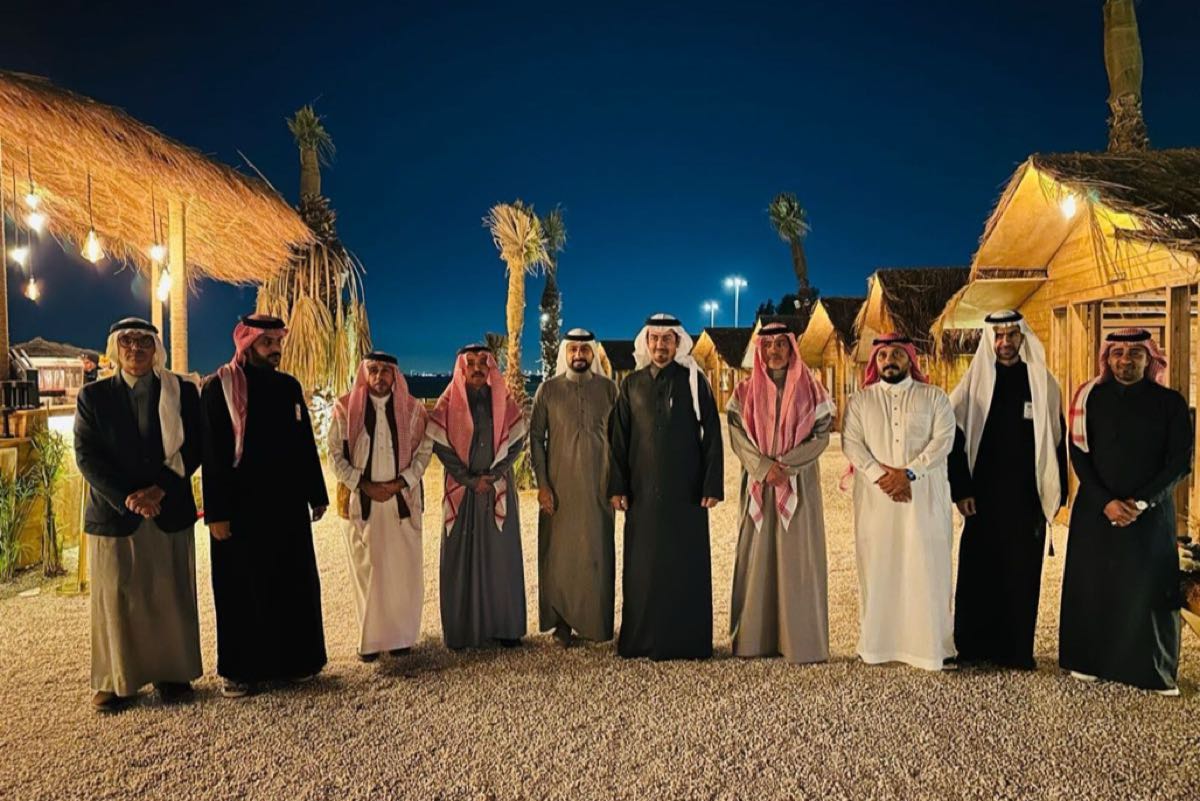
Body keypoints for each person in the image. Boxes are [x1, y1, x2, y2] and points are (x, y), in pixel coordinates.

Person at [74, 318, 203, 711]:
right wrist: (128, 498)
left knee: (168, 592)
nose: (135, 348)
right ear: (116, 347)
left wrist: (159, 489)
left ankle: (173, 673)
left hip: (168, 505)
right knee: (116, 597)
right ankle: (115, 681)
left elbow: (196, 444)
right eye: (127, 341)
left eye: (144, 341)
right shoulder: (93, 396)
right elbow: (87, 456)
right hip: (115, 513)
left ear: (155, 349)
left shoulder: (181, 391)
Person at [201, 314, 328, 697]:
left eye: (277, 342)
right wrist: (217, 513)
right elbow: (213, 453)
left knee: (293, 581)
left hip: (286, 506)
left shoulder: (289, 387)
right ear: (247, 344)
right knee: (242, 588)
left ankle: (296, 662)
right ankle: (242, 671)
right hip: (241, 509)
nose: (275, 350)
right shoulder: (220, 387)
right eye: (267, 343)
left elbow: (304, 443)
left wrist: (316, 493)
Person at [1060, 328, 1191, 695]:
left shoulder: (1170, 403)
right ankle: (1088, 661)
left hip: (1150, 513)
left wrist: (1141, 503)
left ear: (1149, 359)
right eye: (1117, 352)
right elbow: (1078, 454)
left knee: (1148, 589)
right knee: (1093, 584)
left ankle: (1152, 671)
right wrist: (1105, 501)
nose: (1125, 360)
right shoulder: (1090, 398)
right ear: (1107, 358)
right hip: (1096, 510)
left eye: (1135, 353)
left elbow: (1180, 462)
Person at [948, 310, 1067, 670]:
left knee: (1022, 572)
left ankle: (1016, 651)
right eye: (998, 336)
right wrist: (961, 489)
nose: (1005, 342)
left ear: (1022, 337)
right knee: (978, 571)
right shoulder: (973, 385)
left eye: (1011, 335)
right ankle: (973, 648)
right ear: (990, 340)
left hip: (1025, 497)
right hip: (981, 497)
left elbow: (1056, 441)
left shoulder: (1042, 383)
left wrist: (1055, 493)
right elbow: (954, 440)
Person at [608, 313, 723, 660]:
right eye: (655, 339)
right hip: (642, 494)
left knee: (684, 565)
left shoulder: (694, 381)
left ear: (677, 343)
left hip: (686, 493)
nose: (660, 346)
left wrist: (711, 484)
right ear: (646, 342)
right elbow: (618, 440)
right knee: (643, 567)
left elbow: (712, 433)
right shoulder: (631, 385)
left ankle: (687, 642)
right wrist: (617, 487)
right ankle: (641, 640)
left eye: (667, 339)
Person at [841, 333, 956, 671]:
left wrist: (909, 474)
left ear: (910, 359)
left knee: (926, 566)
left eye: (896, 355)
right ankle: (878, 645)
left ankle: (929, 648)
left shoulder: (934, 397)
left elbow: (943, 440)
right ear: (875, 362)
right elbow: (851, 443)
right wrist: (884, 477)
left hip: (924, 501)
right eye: (882, 356)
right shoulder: (861, 402)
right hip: (877, 503)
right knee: (878, 565)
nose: (889, 361)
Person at [727, 322, 834, 663]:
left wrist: (785, 467)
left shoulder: (811, 389)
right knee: (756, 556)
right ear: (760, 350)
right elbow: (736, 434)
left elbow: (822, 434)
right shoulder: (744, 391)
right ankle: (753, 640)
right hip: (758, 483)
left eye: (780, 344)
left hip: (798, 483)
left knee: (797, 557)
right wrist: (763, 467)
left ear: (791, 348)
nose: (773, 351)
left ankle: (801, 643)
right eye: (768, 345)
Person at [329, 352, 432, 662]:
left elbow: (424, 451)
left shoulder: (413, 410)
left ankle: (400, 638)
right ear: (365, 373)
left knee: (402, 570)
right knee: (368, 571)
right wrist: (363, 484)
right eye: (373, 370)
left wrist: (402, 482)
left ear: (394, 375)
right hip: (362, 502)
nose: (379, 376)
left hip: (402, 501)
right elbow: (334, 455)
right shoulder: (345, 408)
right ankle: (370, 641)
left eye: (385, 371)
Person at [427, 344, 528, 649]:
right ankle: (463, 632)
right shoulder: (448, 401)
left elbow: (517, 440)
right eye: (470, 363)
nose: (477, 368)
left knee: (501, 558)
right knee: (461, 560)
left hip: (496, 487)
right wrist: (469, 479)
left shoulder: (503, 399)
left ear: (490, 366)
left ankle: (505, 627)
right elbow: (440, 445)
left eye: (483, 362)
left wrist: (494, 475)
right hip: (463, 491)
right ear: (462, 367)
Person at [530, 328, 619, 647]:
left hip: (599, 487)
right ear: (565, 353)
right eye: (573, 349)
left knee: (597, 553)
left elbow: (621, 440)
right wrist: (543, 485)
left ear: (592, 353)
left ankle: (596, 622)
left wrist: (618, 485)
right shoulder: (548, 390)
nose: (578, 355)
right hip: (559, 488)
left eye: (584, 349)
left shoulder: (609, 389)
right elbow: (536, 439)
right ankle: (561, 623)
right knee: (559, 555)